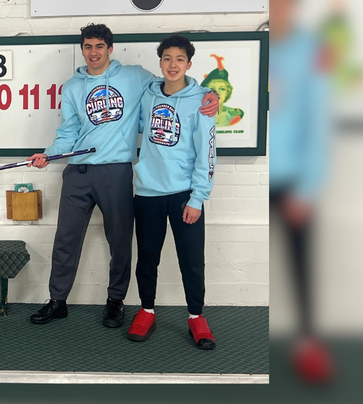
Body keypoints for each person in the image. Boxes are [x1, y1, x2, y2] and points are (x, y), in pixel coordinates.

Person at [26, 23, 219, 328]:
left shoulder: (134, 76)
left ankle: (116, 301)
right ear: (82, 49)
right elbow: (67, 133)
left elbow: (173, 85)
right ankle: (57, 300)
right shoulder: (73, 87)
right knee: (65, 239)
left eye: (99, 46)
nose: (93, 52)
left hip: (115, 171)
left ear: (110, 49)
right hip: (77, 171)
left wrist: (209, 93)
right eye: (88, 46)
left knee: (120, 242)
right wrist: (48, 154)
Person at [125, 35, 217, 349]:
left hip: (184, 195)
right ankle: (147, 309)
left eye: (180, 59)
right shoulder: (148, 95)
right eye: (167, 58)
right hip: (148, 192)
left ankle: (196, 316)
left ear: (189, 64)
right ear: (160, 62)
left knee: (191, 259)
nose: (173, 64)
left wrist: (198, 197)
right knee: (147, 257)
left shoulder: (203, 100)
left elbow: (207, 152)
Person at [268, 0, 334, 383]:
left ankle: (308, 342)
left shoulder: (311, 50)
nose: (276, 8)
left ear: (294, 3)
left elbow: (320, 122)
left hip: (293, 181)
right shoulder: (257, 46)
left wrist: (307, 189)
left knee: (300, 264)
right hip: (259, 175)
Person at [200, 54, 245, 127]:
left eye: (222, 89)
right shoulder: (195, 114)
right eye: (212, 89)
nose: (217, 92)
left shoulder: (235, 115)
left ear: (228, 92)